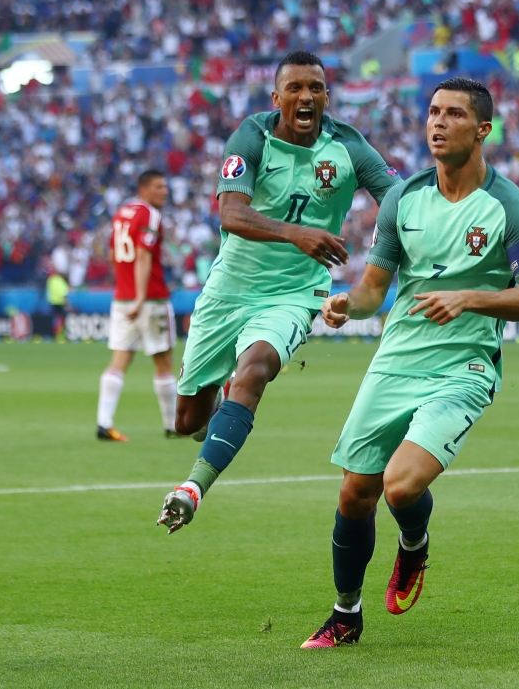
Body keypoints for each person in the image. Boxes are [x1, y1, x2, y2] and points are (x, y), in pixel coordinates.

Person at [300, 78, 519, 649]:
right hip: (395, 360)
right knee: (353, 494)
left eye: (455, 115)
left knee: (401, 486)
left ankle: (413, 545)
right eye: (433, 112)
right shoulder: (402, 199)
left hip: (462, 368)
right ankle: (345, 616)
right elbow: (373, 290)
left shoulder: (509, 206)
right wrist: (347, 303)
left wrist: (471, 298)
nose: (438, 123)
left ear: (482, 130)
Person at [156, 51, 401, 532]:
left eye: (316, 88)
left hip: (294, 294)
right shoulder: (252, 136)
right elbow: (231, 214)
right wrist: (298, 233)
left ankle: (192, 488)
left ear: (327, 96)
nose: (306, 96)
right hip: (229, 290)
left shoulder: (348, 146)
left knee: (256, 370)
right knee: (187, 421)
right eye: (295, 88)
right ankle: (221, 403)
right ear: (277, 97)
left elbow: (397, 198)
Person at [96, 169, 180, 442]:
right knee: (164, 361)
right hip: (150, 299)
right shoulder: (150, 215)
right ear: (144, 189)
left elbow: (112, 254)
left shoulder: (122, 212)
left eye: (166, 186)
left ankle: (104, 422)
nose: (164, 191)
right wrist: (141, 296)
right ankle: (172, 425)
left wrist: (126, 287)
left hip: (122, 297)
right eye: (159, 186)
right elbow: (143, 256)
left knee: (120, 358)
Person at [46, 266, 70, 341]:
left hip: (52, 302)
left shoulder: (50, 280)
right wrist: (67, 304)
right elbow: (63, 294)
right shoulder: (60, 281)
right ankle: (60, 335)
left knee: (54, 319)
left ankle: (53, 335)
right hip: (60, 302)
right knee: (61, 319)